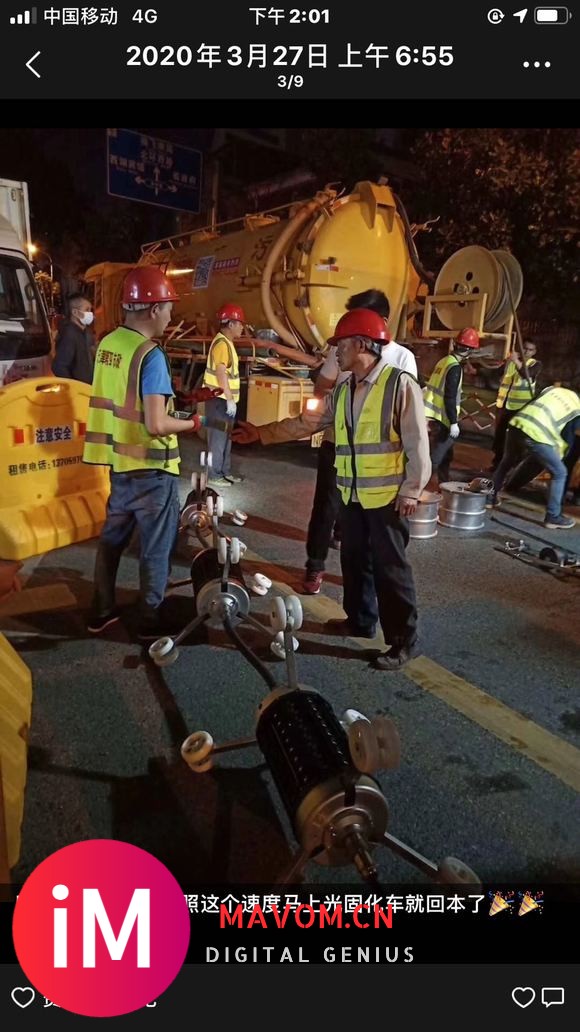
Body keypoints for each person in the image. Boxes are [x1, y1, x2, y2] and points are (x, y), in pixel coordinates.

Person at [233, 308, 431, 671]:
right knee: (354, 561)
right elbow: (308, 423)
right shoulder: (344, 389)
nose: (335, 352)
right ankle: (360, 619)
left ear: (360, 344)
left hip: (388, 498)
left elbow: (418, 443)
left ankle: (404, 641)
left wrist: (412, 491)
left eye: (340, 345)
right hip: (352, 494)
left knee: (391, 569)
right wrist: (262, 433)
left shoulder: (399, 385)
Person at [83, 267, 217, 638]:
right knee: (156, 549)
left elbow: (128, 403)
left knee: (111, 541)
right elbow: (156, 424)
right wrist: (192, 423)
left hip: (120, 465)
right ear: (153, 308)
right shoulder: (151, 355)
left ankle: (101, 611)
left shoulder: (109, 344)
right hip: (152, 471)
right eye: (169, 308)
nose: (172, 316)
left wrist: (178, 398)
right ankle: (148, 619)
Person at [302, 288, 418, 595]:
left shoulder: (402, 362)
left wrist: (411, 487)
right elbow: (322, 388)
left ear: (377, 322)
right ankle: (317, 567)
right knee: (330, 512)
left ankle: (395, 630)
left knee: (381, 546)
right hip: (338, 448)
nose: (338, 350)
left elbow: (413, 429)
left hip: (380, 467)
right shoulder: (342, 354)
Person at [491, 385, 580, 529]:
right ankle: (553, 516)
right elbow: (568, 436)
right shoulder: (576, 408)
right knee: (560, 472)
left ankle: (490, 497)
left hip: (517, 424)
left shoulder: (551, 389)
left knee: (506, 461)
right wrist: (560, 456)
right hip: (537, 433)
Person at [423, 327, 480, 489]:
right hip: (443, 418)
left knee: (447, 455)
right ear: (469, 350)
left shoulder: (445, 361)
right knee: (436, 457)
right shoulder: (454, 368)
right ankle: (416, 488)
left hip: (433, 414)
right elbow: (449, 396)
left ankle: (444, 485)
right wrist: (454, 422)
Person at [203, 303, 245, 487]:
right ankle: (213, 475)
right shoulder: (221, 344)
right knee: (218, 439)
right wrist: (228, 398)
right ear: (230, 324)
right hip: (218, 400)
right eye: (240, 323)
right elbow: (221, 373)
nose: (242, 327)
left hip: (223, 401)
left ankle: (224, 471)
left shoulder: (226, 343)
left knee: (225, 438)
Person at [491, 341, 541, 470]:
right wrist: (477, 370)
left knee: (515, 440)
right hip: (504, 405)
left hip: (521, 408)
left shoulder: (535, 364)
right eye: (524, 348)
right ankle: (497, 463)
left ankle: (513, 467)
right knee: (500, 436)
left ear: (534, 352)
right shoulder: (511, 362)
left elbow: (526, 374)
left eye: (530, 350)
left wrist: (515, 361)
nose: (526, 352)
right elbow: (497, 373)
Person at [52, 293, 95, 384]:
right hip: (78, 392)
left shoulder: (85, 332)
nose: (90, 313)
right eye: (87, 310)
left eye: (91, 310)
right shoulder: (69, 334)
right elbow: (59, 366)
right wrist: (73, 387)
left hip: (87, 388)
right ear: (75, 312)